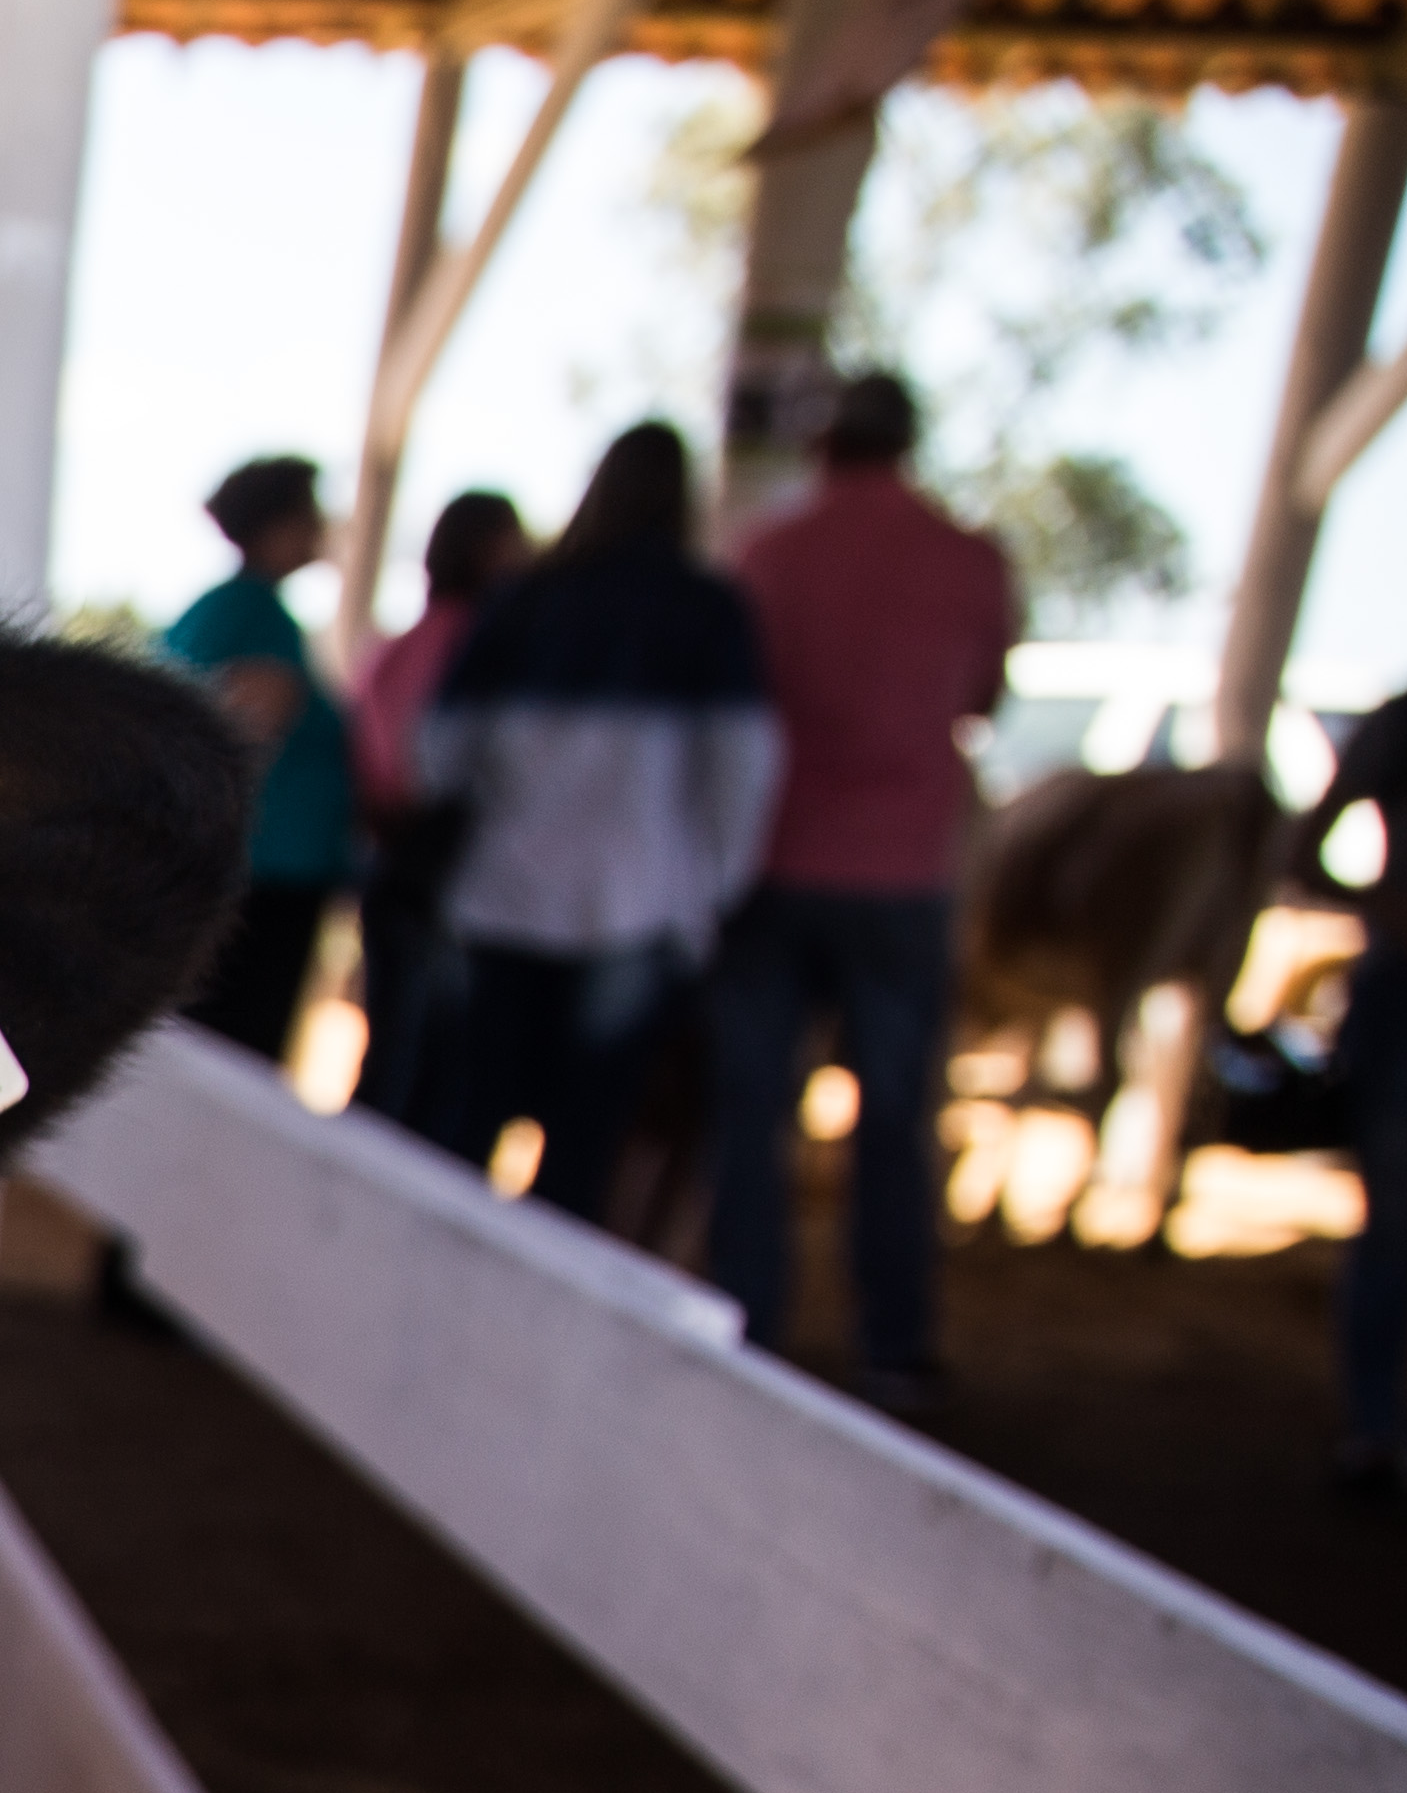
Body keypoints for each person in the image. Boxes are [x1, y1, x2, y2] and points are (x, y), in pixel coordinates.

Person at [701, 371, 1017, 1409]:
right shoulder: (969, 560)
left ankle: (743, 1320)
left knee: (754, 1109)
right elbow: (983, 700)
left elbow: (734, 704)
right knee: (894, 1117)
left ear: (823, 445)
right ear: (908, 444)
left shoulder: (766, 552)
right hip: (902, 876)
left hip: (772, 866)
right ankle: (892, 1342)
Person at [416, 420, 778, 1240]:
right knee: (583, 1146)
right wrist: (714, 890)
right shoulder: (708, 611)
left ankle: (426, 1293)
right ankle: (536, 1311)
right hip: (633, 907)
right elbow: (743, 771)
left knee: (467, 1125)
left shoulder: (524, 601)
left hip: (501, 898)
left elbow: (437, 751)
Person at [164, 455, 357, 1065]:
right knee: (236, 1053)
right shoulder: (256, 617)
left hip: (244, 870)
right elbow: (241, 740)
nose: (322, 526)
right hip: (263, 877)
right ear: (278, 523)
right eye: (311, 513)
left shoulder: (222, 609)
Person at [347, 488, 527, 1129]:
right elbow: (428, 770)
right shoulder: (476, 644)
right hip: (440, 869)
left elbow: (372, 760)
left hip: (390, 859)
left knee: (389, 1046)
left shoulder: (399, 643)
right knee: (429, 1066)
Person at [1296, 696, 1407, 1496]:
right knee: (1394, 1223)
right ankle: (1373, 1434)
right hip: (1400, 998)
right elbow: (1305, 848)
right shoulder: (1400, 725)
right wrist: (1387, 908)